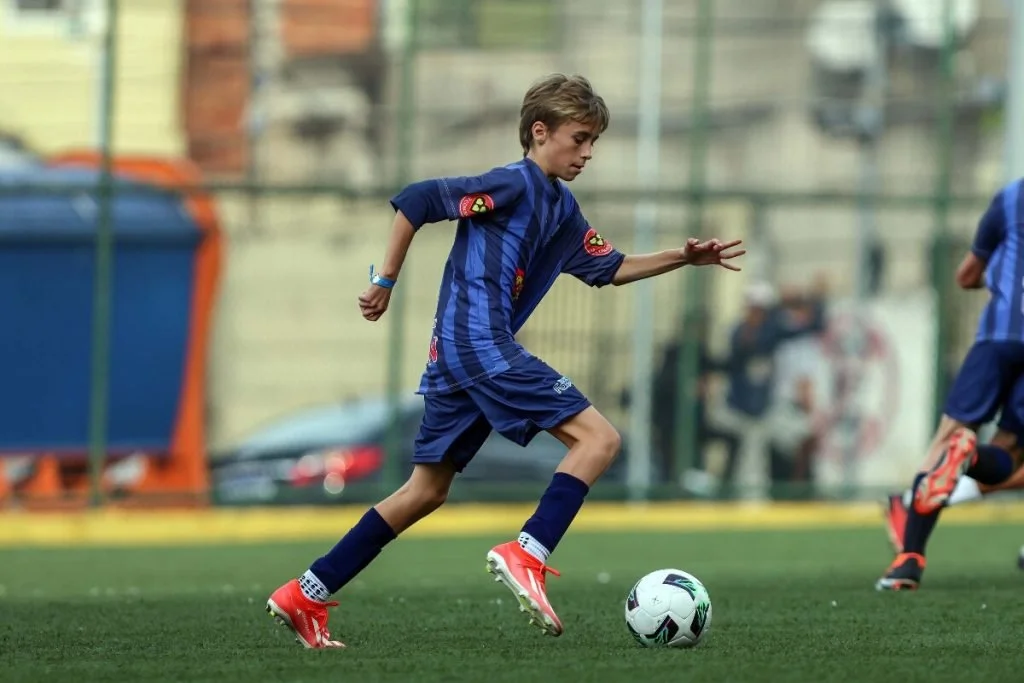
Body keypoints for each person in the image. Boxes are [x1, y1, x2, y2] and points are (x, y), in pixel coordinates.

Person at [263, 73, 746, 648]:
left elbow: (610, 267)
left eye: (594, 141)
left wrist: (682, 257)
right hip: (480, 346)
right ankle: (528, 553)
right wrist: (384, 281)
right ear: (540, 132)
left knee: (425, 491)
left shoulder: (562, 209)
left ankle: (306, 593)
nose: (588, 152)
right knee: (599, 440)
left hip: (456, 358)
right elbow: (416, 201)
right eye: (579, 138)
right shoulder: (511, 184)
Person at [876, 177, 1024, 591]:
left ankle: (909, 558)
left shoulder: (1011, 197)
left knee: (947, 439)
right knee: (1011, 454)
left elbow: (966, 276)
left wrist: (999, 277)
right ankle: (969, 458)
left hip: (997, 337)